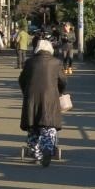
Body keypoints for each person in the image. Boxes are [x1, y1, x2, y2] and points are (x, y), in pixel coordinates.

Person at [18, 39, 66, 167]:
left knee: (33, 126)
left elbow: (22, 80)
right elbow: (63, 81)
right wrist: (59, 92)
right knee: (49, 126)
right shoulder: (56, 63)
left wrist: (26, 92)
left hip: (32, 98)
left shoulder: (29, 62)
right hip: (50, 98)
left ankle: (36, 154)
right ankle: (48, 148)